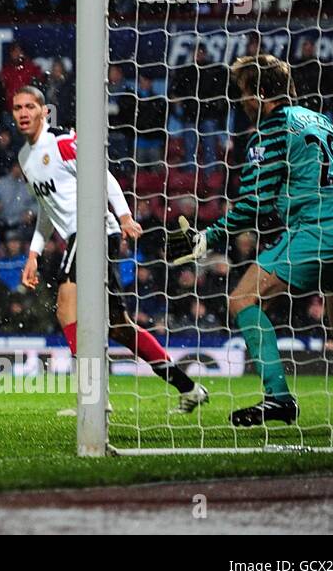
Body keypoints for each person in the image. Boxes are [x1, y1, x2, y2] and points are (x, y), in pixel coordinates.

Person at [169, 55, 333, 425]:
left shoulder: (272, 129)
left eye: (243, 93)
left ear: (260, 93)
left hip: (321, 226)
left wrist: (208, 235)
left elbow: (254, 203)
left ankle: (278, 398)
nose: (241, 102)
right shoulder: (320, 120)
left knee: (243, 298)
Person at [12, 85, 207, 415]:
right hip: (82, 235)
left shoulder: (61, 142)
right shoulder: (24, 157)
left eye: (30, 106)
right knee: (119, 326)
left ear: (44, 111)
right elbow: (47, 208)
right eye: (17, 107)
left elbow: (101, 173)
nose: (23, 113)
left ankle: (91, 397)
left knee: (66, 307)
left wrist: (125, 215)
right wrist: (34, 253)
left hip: (94, 229)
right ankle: (189, 388)